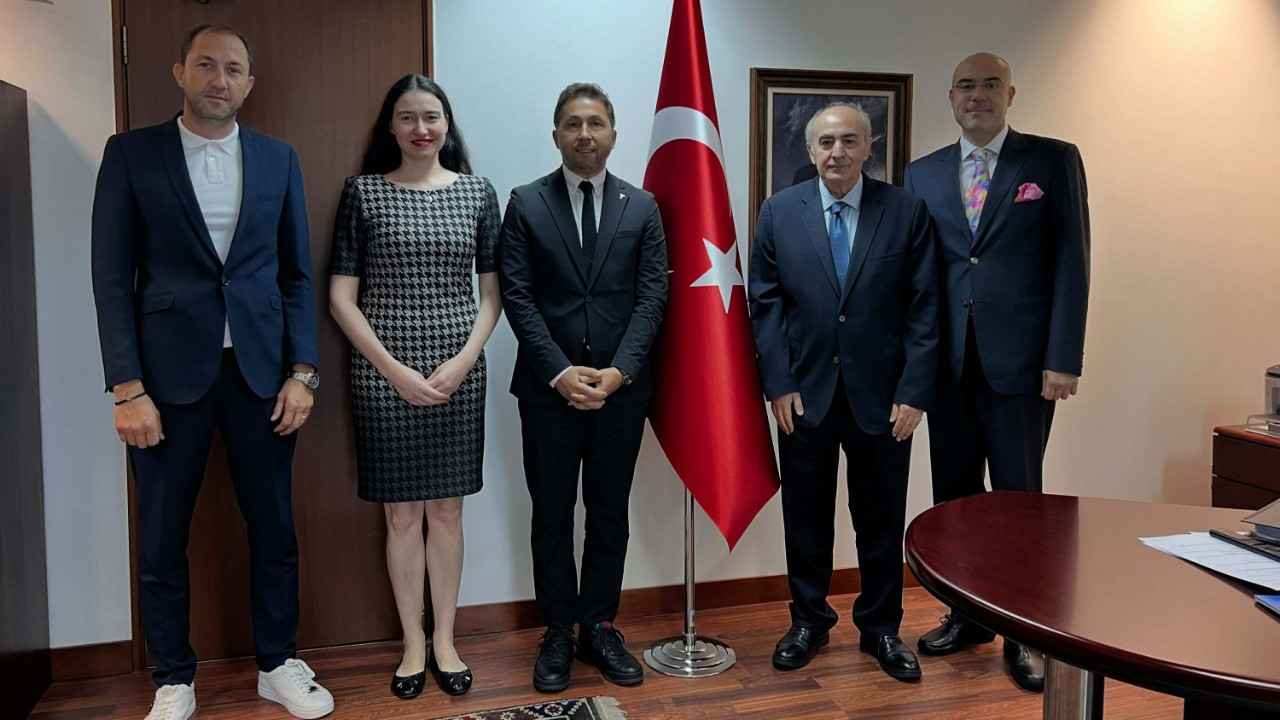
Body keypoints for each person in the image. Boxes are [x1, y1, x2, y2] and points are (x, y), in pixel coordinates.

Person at [91, 23, 333, 720]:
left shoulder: (278, 158)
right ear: (180, 73)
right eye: (205, 65)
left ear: (249, 83)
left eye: (232, 69)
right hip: (164, 383)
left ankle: (277, 663)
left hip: (262, 377)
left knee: (275, 528)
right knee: (163, 535)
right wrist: (126, 387)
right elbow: (111, 277)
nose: (218, 80)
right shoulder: (131, 154)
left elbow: (296, 275)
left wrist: (304, 371)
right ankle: (173, 677)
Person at [903, 52, 1090, 692]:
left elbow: (1072, 262)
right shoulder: (922, 173)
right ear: (951, 97)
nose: (976, 95)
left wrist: (1063, 356)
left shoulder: (1052, 161)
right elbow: (919, 277)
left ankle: (1024, 633)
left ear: (1010, 94)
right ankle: (967, 617)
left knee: (1019, 504)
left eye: (989, 85)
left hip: (1023, 368)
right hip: (948, 366)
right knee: (954, 501)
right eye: (965, 85)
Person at [748, 102, 938, 682]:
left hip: (884, 399)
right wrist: (778, 382)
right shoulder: (780, 211)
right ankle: (808, 621)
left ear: (867, 148)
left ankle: (881, 628)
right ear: (810, 151)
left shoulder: (904, 211)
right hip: (804, 395)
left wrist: (915, 390)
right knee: (805, 518)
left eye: (850, 140)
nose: (838, 152)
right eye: (827, 142)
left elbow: (924, 305)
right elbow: (765, 303)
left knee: (880, 520)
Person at [328, 75, 501, 699]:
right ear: (391, 126)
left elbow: (492, 295)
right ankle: (412, 643)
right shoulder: (363, 193)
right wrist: (393, 370)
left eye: (431, 116)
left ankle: (446, 640)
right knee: (401, 515)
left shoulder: (478, 193)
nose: (421, 128)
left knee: (448, 511)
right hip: (383, 376)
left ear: (447, 123)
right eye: (407, 117)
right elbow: (341, 298)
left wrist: (463, 360)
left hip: (459, 373)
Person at [497, 83, 667, 693]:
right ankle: (557, 631)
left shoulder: (641, 207)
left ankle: (599, 625)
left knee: (609, 514)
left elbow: (652, 296)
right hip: (549, 393)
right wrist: (559, 371)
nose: (585, 134)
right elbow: (517, 295)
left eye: (595, 123)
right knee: (550, 515)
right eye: (573, 124)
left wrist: (619, 372)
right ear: (556, 136)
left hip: (621, 393)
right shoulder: (526, 203)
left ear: (613, 135)